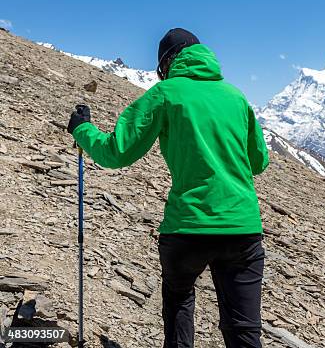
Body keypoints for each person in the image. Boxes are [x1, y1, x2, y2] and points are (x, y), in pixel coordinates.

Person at [67, 28, 269, 348]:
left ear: (167, 63)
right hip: (242, 226)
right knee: (244, 330)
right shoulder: (236, 96)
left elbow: (117, 152)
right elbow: (258, 162)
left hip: (187, 227)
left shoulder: (165, 94)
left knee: (179, 302)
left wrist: (83, 130)